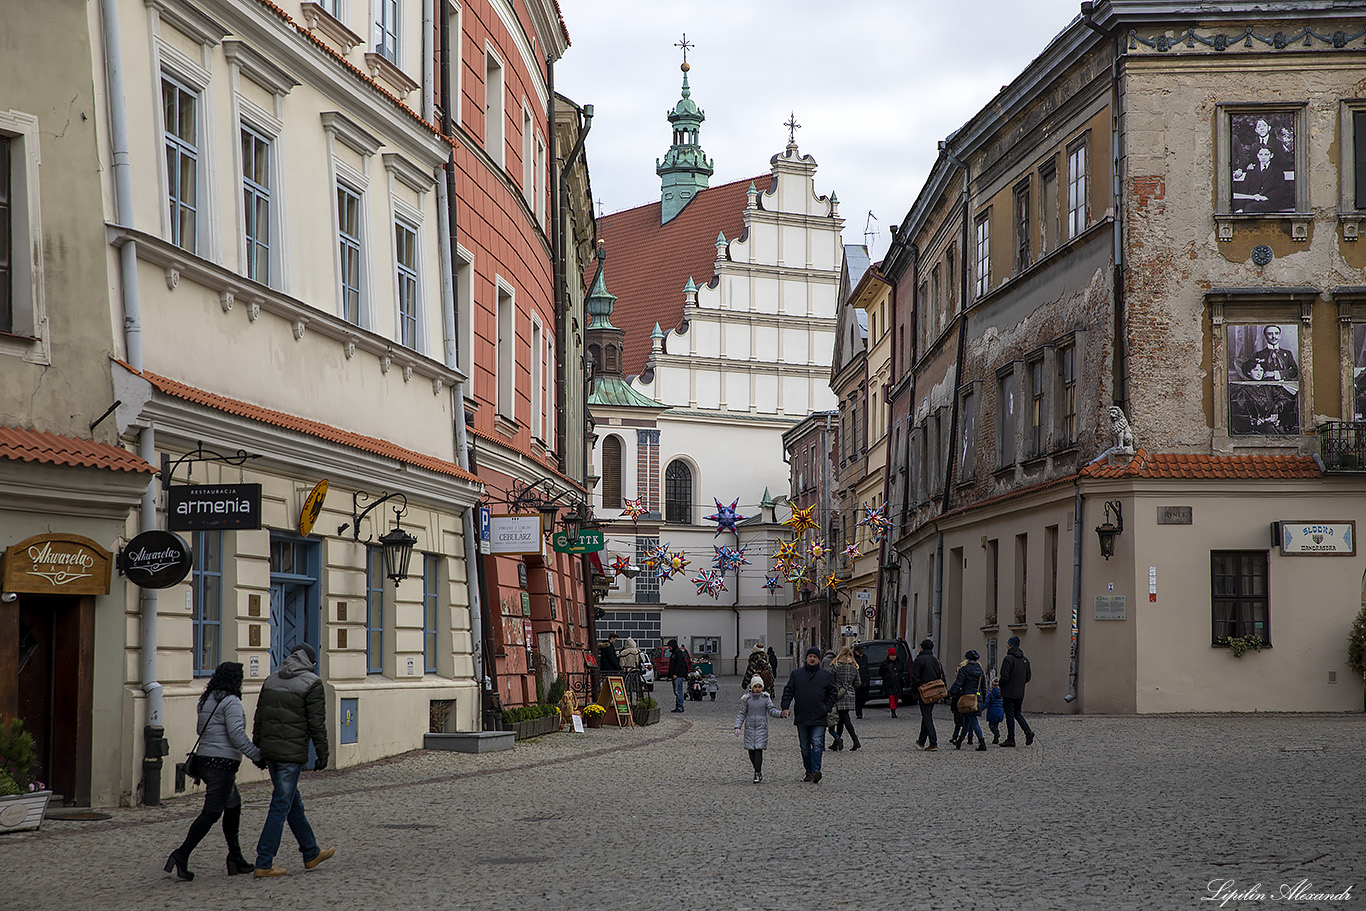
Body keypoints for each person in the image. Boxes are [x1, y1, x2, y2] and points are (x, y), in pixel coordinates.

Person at [164, 661, 263, 881]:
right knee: (211, 813)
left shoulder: (206, 700)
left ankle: (235, 857)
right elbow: (237, 736)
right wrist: (257, 755)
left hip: (205, 760)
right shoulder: (232, 702)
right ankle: (181, 854)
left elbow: (201, 729)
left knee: (233, 805)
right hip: (222, 763)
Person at [251, 642, 334, 877]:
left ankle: (311, 853)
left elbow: (259, 717)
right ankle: (264, 862)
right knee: (280, 805)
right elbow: (316, 724)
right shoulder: (312, 683)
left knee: (292, 804)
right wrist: (322, 754)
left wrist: (259, 749)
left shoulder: (271, 680)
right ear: (310, 662)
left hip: (271, 752)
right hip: (291, 754)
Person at [780, 647, 839, 783]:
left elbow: (833, 693)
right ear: (806, 658)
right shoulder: (797, 674)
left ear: (819, 659)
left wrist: (827, 707)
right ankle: (809, 771)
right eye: (810, 656)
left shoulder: (826, 675)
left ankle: (816, 771)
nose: (812, 659)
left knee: (817, 744)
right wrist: (785, 707)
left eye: (815, 657)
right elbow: (788, 691)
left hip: (819, 716)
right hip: (802, 716)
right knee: (805, 748)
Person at [734, 676, 783, 783]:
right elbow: (742, 713)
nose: (757, 689)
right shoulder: (747, 699)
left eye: (759, 687)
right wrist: (737, 726)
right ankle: (757, 770)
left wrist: (780, 714)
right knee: (751, 751)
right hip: (750, 728)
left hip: (761, 728)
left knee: (758, 751)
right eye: (755, 686)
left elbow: (771, 710)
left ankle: (757, 771)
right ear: (752, 687)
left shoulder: (765, 698)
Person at [948, 650, 988, 752]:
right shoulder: (980, 670)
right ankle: (960, 741)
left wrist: (949, 694)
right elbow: (984, 687)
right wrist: (983, 700)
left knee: (973, 720)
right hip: (977, 698)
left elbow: (958, 684)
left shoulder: (964, 670)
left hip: (967, 698)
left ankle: (982, 741)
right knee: (967, 720)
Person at [999, 636, 1035, 747]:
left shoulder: (1008, 659)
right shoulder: (1025, 660)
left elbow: (1004, 676)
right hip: (1020, 691)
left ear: (1010, 645)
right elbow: (1028, 677)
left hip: (1009, 691)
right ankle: (1027, 731)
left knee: (1009, 715)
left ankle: (1011, 738)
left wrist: (1001, 684)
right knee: (1017, 714)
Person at [910, 639, 945, 751]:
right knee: (926, 715)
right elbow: (941, 675)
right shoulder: (936, 660)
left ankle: (933, 742)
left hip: (924, 692)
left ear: (922, 648)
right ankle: (921, 741)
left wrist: (914, 689)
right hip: (935, 692)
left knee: (927, 717)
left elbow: (915, 677)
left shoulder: (920, 660)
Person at [829, 646, 862, 752]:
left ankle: (855, 741)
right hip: (849, 694)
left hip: (838, 694)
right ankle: (837, 742)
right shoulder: (854, 666)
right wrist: (850, 687)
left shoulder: (836, 665)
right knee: (842, 719)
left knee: (845, 719)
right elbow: (858, 683)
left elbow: (830, 679)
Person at [878, 646, 905, 718]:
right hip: (888, 683)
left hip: (897, 683)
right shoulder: (885, 663)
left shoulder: (899, 662)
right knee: (891, 697)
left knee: (896, 696)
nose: (893, 657)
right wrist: (886, 677)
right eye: (891, 655)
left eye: (894, 655)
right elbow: (881, 671)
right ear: (889, 656)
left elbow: (901, 670)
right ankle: (893, 711)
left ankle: (894, 708)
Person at [667, 638, 691, 713]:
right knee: (676, 691)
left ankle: (680, 707)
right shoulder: (673, 653)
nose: (668, 648)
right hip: (675, 675)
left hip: (679, 676)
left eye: (669, 646)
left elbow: (679, 664)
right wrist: (668, 675)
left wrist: (676, 674)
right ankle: (678, 706)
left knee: (678, 691)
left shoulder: (678, 652)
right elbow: (671, 666)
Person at [985, 676, 1005, 744]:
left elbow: (986, 702)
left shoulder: (991, 694)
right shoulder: (1003, 694)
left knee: (991, 725)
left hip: (992, 712)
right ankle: (995, 738)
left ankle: (996, 733)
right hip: (1000, 712)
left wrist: (981, 708)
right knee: (996, 724)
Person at [853, 644, 870, 719]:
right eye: (859, 652)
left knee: (865, 696)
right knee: (858, 698)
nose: (861, 653)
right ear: (855, 651)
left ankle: (860, 707)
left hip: (865, 679)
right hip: (857, 680)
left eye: (861, 652)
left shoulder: (865, 657)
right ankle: (859, 713)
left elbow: (866, 668)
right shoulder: (853, 658)